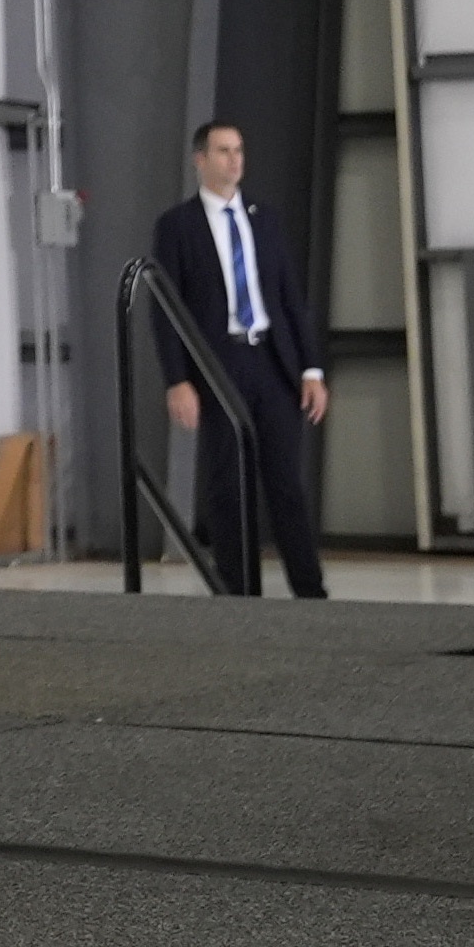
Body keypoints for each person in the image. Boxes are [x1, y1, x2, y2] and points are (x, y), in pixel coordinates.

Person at [147, 121, 327, 598]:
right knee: (228, 482)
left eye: (239, 150)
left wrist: (311, 369)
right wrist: (177, 380)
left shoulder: (263, 218)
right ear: (200, 160)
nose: (234, 160)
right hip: (218, 362)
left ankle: (310, 590)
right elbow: (166, 311)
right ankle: (239, 591)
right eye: (223, 151)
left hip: (271, 361)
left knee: (285, 481)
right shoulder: (177, 226)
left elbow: (290, 298)